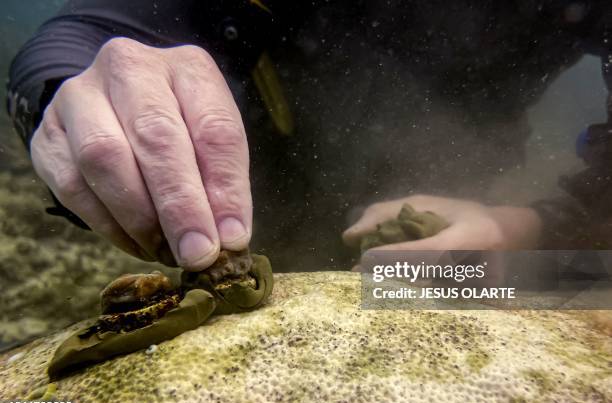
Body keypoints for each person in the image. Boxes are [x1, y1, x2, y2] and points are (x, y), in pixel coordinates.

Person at [6, 0, 612, 272]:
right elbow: (86, 31)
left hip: (477, 207)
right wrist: (69, 97)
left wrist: (534, 227)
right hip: (264, 197)